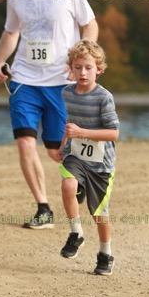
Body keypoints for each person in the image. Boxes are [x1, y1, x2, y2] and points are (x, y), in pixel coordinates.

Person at [0, 0, 98, 229]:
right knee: (25, 142)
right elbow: (11, 32)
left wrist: (82, 59)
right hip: (24, 79)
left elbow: (89, 24)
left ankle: (82, 175)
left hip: (61, 81)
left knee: (56, 150)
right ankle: (43, 208)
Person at [58, 40, 119, 275]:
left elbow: (113, 133)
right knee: (68, 184)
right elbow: (68, 124)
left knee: (99, 213)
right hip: (75, 156)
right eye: (78, 67)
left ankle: (105, 253)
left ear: (99, 70)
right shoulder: (66, 93)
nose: (83, 72)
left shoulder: (104, 97)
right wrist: (61, 145)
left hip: (101, 164)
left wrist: (81, 132)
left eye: (88, 67)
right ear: (71, 69)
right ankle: (76, 233)